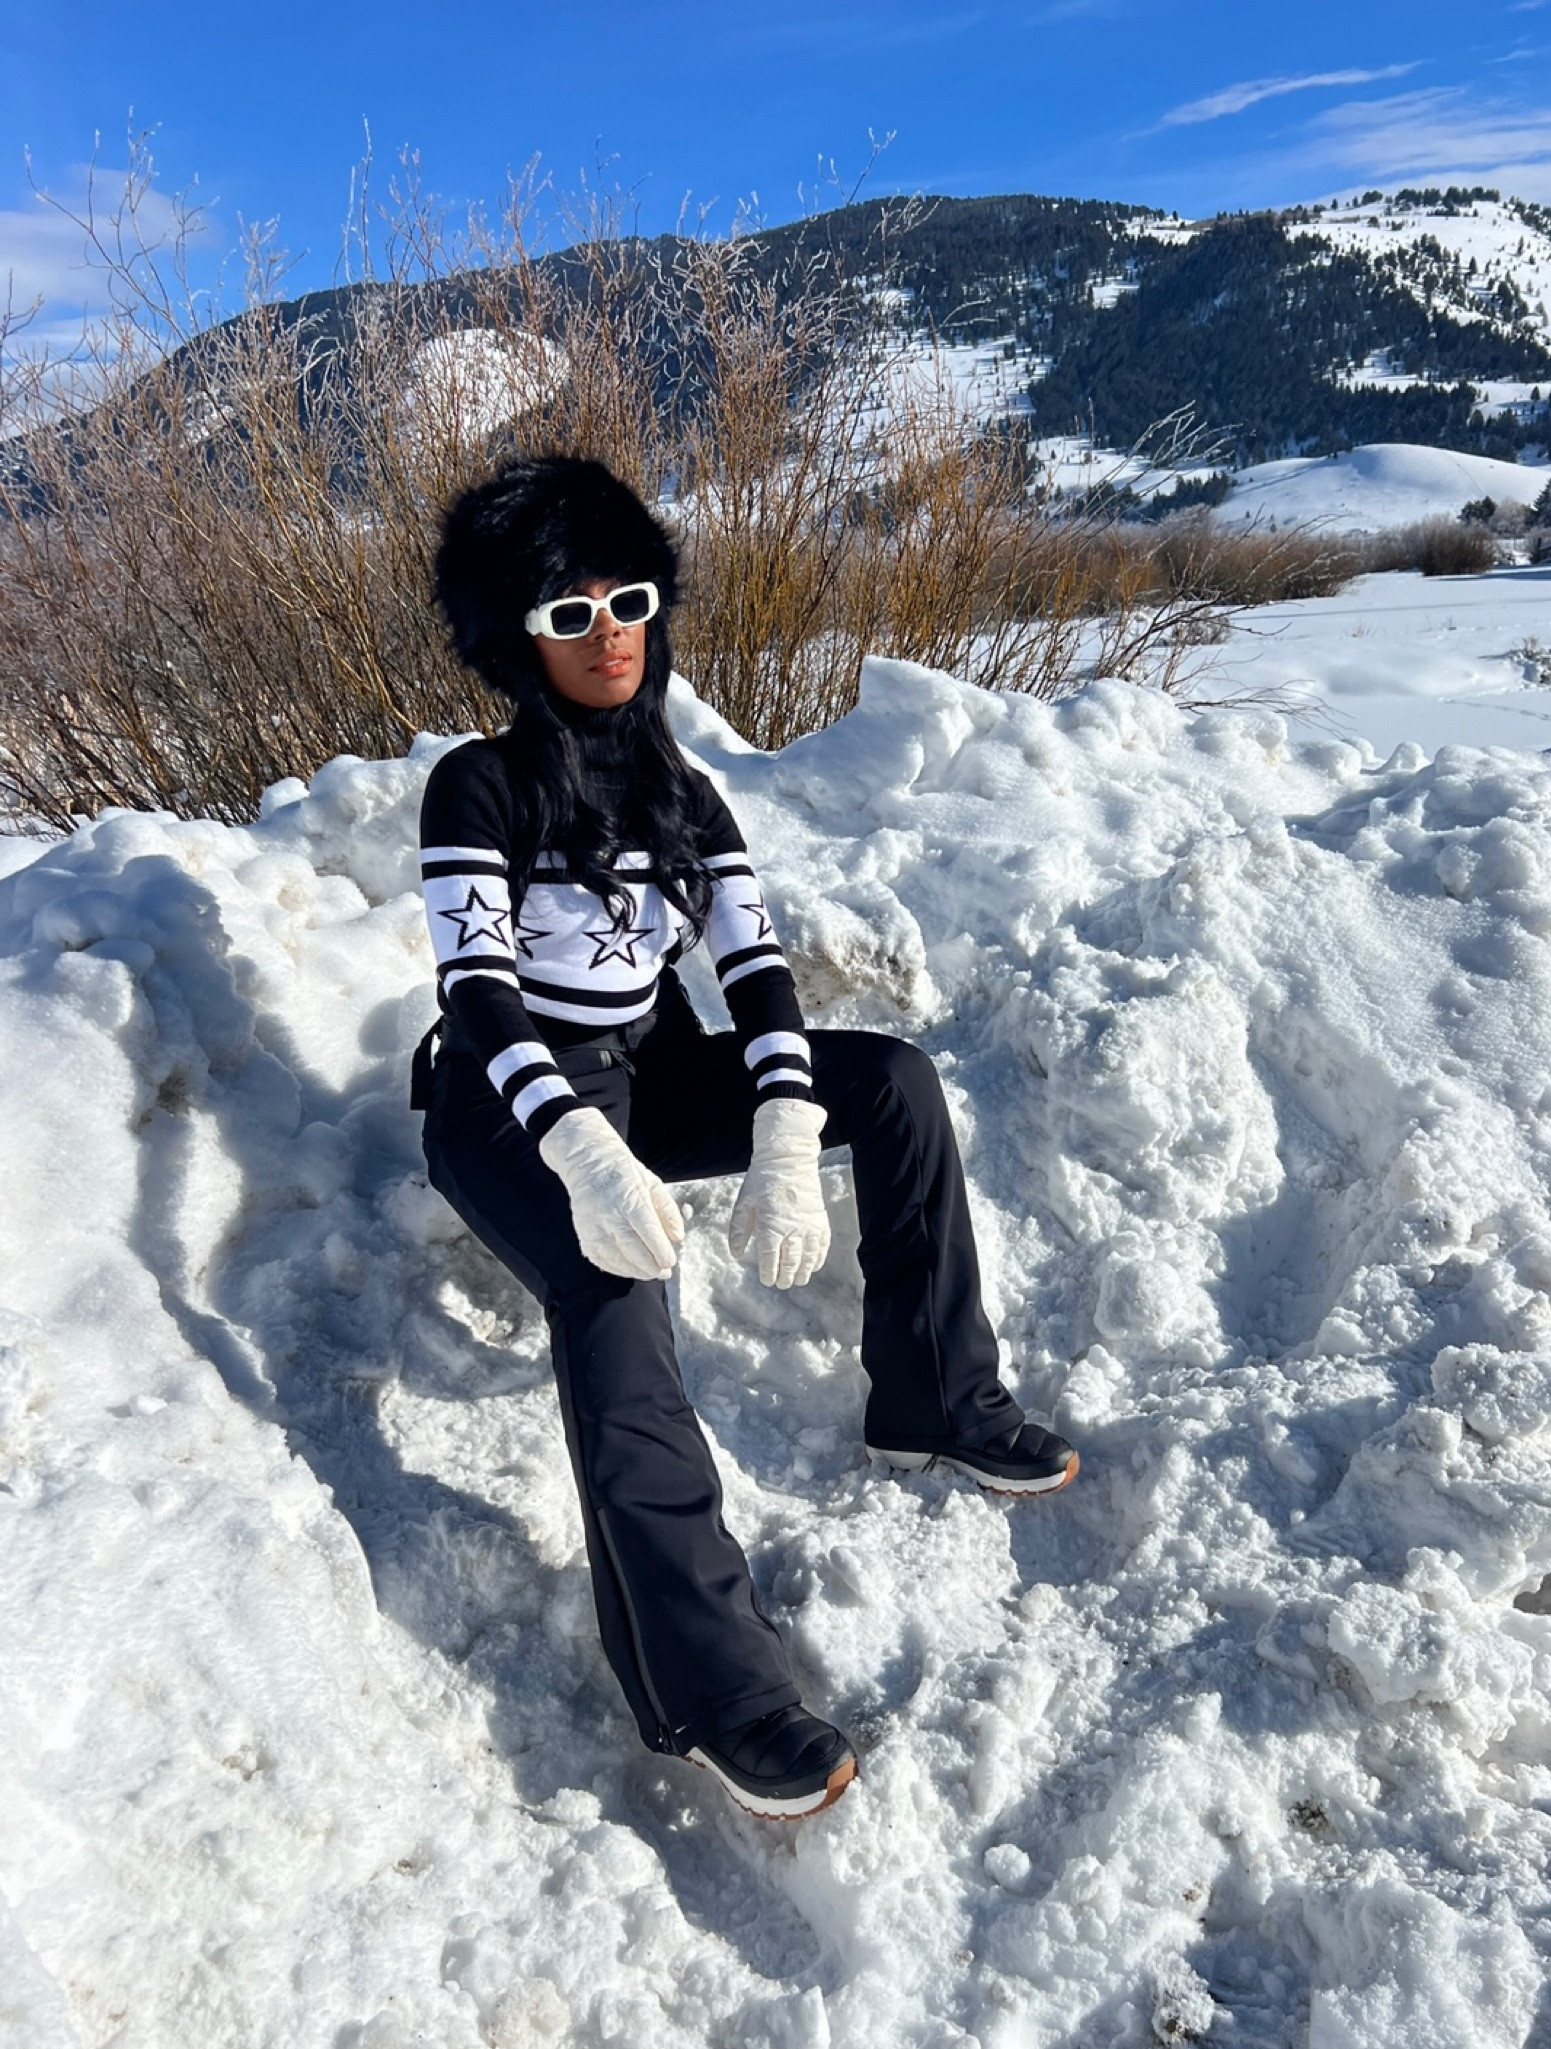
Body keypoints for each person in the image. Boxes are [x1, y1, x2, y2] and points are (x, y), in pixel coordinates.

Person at [413, 456, 1078, 1821]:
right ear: (512, 640)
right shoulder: (476, 791)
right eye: (567, 611)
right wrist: (583, 1157)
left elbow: (755, 970)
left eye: (629, 600)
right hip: (504, 1100)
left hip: (645, 1068)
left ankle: (935, 1392)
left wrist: (783, 1118)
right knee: (613, 1280)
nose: (609, 633)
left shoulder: (682, 795)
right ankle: (705, 1683)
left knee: (887, 1081)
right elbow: (477, 995)